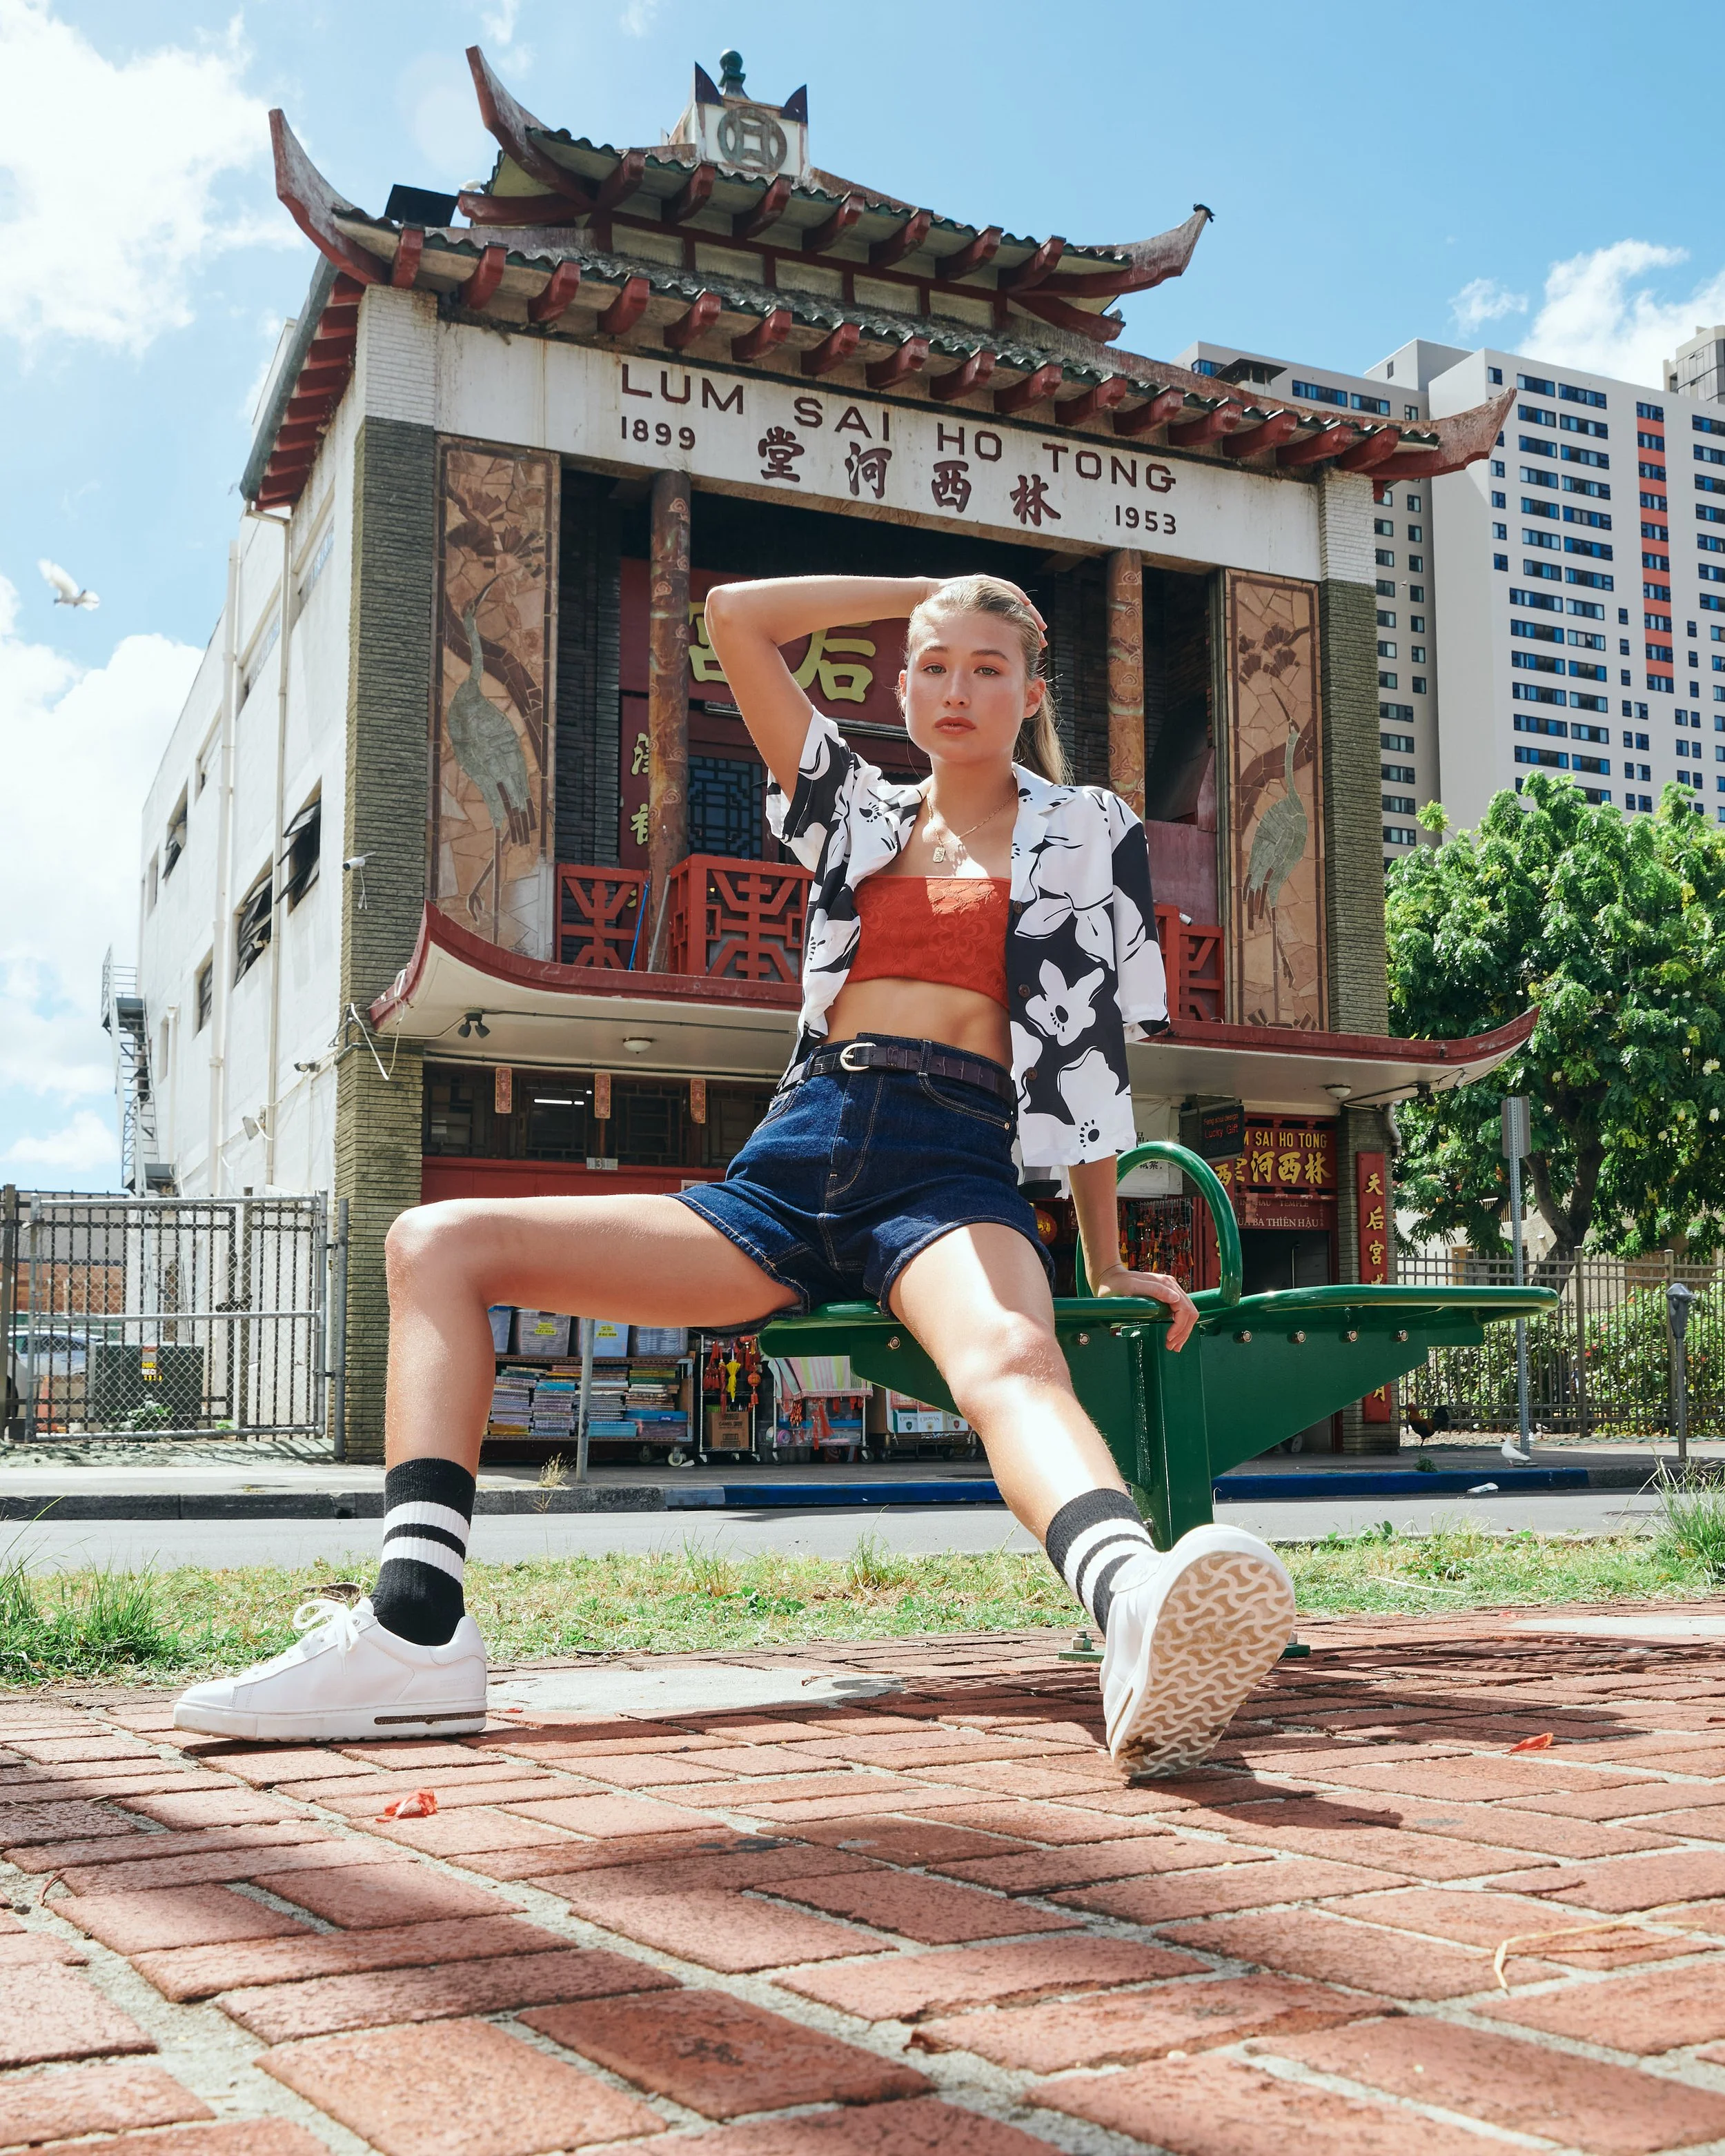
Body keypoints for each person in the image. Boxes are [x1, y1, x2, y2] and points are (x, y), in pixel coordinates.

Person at [175, 573, 1294, 1774]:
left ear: (1030, 690)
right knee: (434, 1242)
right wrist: (927, 588)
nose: (953, 688)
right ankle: (414, 1631)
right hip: (797, 1156)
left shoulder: (1089, 829)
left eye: (984, 665)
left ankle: (1131, 1608)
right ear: (904, 688)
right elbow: (737, 619)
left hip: (953, 1167)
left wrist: (1110, 1251)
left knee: (1013, 1357)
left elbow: (1087, 1056)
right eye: (929, 664)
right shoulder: (857, 813)